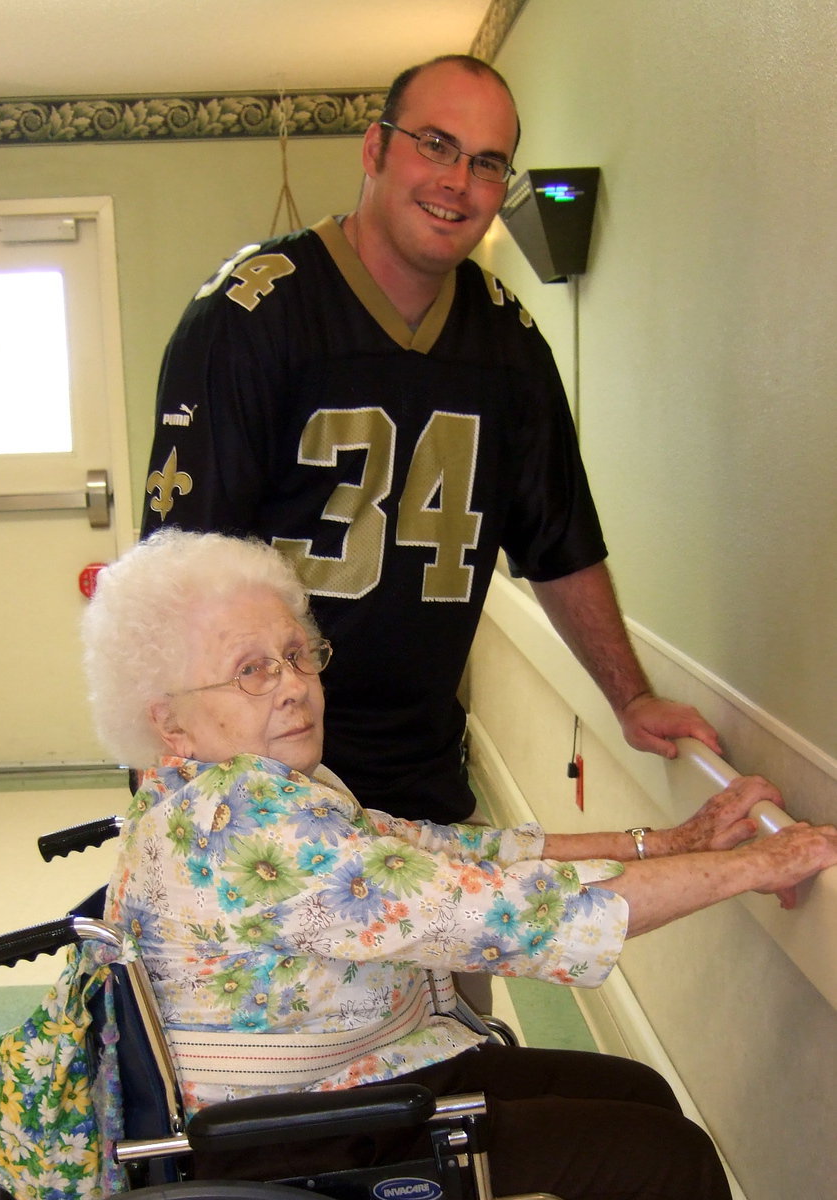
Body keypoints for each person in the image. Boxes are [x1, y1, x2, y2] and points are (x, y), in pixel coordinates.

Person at [83, 529, 837, 1200]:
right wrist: (756, 864)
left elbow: (445, 851)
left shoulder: (218, 790)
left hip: (360, 1072)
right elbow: (514, 921)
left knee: (639, 1093)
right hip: (306, 1129)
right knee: (668, 1157)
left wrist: (672, 842)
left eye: (294, 654)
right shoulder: (247, 827)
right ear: (167, 721)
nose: (292, 685)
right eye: (251, 670)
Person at [140, 53, 722, 825]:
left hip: (421, 773)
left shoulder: (508, 345)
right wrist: (178, 786)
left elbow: (560, 543)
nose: (458, 181)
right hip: (261, 778)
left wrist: (632, 697)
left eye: (487, 163)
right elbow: (177, 579)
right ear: (375, 149)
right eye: (436, 145)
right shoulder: (251, 317)